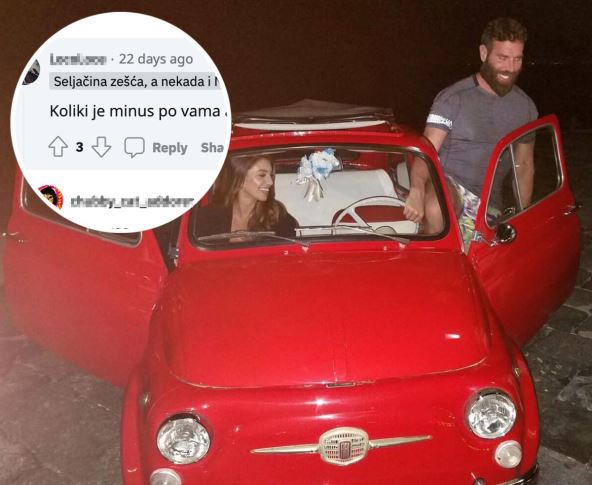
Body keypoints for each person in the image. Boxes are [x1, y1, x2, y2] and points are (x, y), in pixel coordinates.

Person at [404, 17, 537, 243]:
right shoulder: (452, 99)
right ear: (484, 53)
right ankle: (439, 254)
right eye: (502, 58)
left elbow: (523, 166)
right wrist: (416, 191)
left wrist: (523, 217)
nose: (511, 68)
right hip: (451, 187)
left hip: (490, 203)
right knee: (437, 207)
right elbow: (426, 151)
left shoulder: (525, 107)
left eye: (517, 59)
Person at [195, 155, 298, 238]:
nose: (270, 182)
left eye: (271, 175)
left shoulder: (277, 216)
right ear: (240, 178)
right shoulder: (208, 217)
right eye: (262, 175)